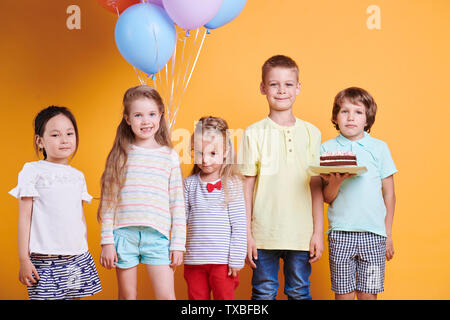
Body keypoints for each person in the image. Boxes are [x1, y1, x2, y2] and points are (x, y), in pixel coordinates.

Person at [239, 55, 324, 300]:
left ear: (298, 88)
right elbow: (246, 188)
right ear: (263, 88)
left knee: (299, 291)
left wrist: (317, 232)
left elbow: (316, 187)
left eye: (288, 84)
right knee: (263, 292)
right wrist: (247, 235)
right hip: (264, 233)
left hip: (301, 234)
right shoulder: (253, 133)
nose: (281, 90)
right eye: (274, 84)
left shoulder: (312, 133)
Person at [98, 85, 185, 300]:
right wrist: (107, 242)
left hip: (158, 237)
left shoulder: (169, 156)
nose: (146, 121)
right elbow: (109, 201)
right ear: (127, 119)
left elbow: (177, 203)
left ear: (161, 115)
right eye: (138, 115)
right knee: (127, 296)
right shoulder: (120, 155)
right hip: (123, 236)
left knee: (166, 296)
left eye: (151, 114)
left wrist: (178, 244)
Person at [9, 106, 102, 300]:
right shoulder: (32, 171)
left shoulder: (78, 176)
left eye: (69, 133)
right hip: (44, 260)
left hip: (76, 258)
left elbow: (80, 217)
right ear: (40, 141)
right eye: (55, 135)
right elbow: (24, 218)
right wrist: (24, 259)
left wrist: (84, 250)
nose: (65, 139)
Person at [320, 87, 397, 300]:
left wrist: (387, 233)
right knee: (343, 295)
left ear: (367, 119)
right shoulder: (326, 149)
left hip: (373, 236)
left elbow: (389, 194)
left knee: (368, 295)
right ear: (336, 116)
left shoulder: (379, 148)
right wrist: (336, 181)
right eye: (344, 111)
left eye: (358, 112)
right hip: (340, 234)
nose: (351, 117)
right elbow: (326, 197)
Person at [183, 116, 246, 300]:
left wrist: (236, 258)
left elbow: (239, 225)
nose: (205, 160)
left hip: (223, 262)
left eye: (212, 153)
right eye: (199, 153)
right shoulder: (189, 184)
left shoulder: (232, 184)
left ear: (225, 152)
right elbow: (181, 220)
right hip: (195, 261)